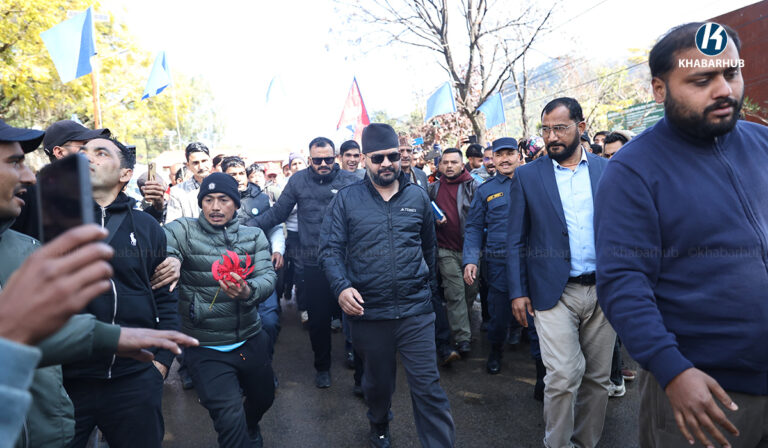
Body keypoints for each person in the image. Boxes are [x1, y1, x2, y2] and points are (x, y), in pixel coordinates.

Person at [595, 22, 767, 448]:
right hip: (704, 393)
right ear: (660, 89)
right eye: (701, 80)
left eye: (731, 73)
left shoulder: (763, 143)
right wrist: (672, 370)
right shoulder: (632, 171)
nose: (724, 90)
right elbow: (623, 282)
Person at [320, 123, 455, 448]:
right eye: (378, 157)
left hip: (415, 312)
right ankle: (379, 422)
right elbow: (330, 250)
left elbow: (428, 248)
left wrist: (427, 292)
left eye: (392, 156)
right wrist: (341, 287)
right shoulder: (346, 200)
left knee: (428, 388)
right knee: (378, 386)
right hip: (369, 313)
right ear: (365, 158)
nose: (386, 163)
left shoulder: (418, 197)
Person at [507, 97, 614, 448]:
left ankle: (585, 443)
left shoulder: (607, 170)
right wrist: (518, 291)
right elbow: (515, 238)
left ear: (581, 128)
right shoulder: (527, 176)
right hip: (553, 292)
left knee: (598, 379)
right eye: (545, 129)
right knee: (563, 376)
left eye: (560, 128)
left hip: (604, 292)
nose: (551, 136)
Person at [62, 137, 180, 448]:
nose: (87, 158)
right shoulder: (52, 220)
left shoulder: (147, 227)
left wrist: (161, 363)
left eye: (100, 153)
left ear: (125, 174)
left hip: (135, 379)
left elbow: (165, 297)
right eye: (83, 153)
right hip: (69, 381)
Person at [165, 172, 277, 447]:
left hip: (250, 338)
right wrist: (172, 260)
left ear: (236, 204)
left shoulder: (253, 235)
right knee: (228, 417)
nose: (215, 207)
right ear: (201, 203)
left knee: (264, 398)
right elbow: (166, 242)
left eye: (224, 199)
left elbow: (267, 276)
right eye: (209, 200)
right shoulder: (185, 230)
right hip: (206, 347)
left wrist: (249, 291)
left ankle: (250, 425)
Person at [252, 137, 358, 388]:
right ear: (309, 159)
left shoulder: (351, 181)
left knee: (355, 316)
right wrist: (245, 227)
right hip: (314, 261)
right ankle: (322, 368)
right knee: (318, 320)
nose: (323, 164)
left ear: (336, 158)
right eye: (317, 160)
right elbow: (277, 213)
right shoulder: (298, 181)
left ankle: (361, 375)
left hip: (348, 261)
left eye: (328, 159)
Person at [463, 138, 540, 379]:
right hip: (499, 263)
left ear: (519, 156)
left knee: (537, 318)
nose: (505, 159)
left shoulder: (535, 183)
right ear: (493, 159)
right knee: (498, 318)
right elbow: (474, 226)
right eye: (499, 155)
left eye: (509, 153)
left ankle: (541, 371)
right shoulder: (485, 190)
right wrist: (470, 259)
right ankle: (495, 351)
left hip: (533, 261)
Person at [220, 156, 284, 349]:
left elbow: (274, 227)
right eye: (232, 174)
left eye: (241, 173)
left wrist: (278, 249)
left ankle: (265, 359)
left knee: (269, 321)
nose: (238, 178)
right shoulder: (214, 201)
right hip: (228, 272)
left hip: (260, 267)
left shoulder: (262, 199)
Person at [11, 120, 110, 239]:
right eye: (84, 145)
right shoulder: (28, 193)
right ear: (59, 152)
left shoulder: (90, 193)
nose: (91, 154)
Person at [428, 148, 480, 356]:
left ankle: (461, 325)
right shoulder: (433, 188)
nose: (449, 166)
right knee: (455, 292)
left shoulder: (474, 186)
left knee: (470, 292)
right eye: (445, 162)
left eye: (454, 162)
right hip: (445, 250)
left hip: (471, 251)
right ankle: (462, 338)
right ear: (440, 165)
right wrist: (435, 219)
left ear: (462, 164)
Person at [165, 142, 213, 223]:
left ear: (211, 161)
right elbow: (172, 225)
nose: (201, 167)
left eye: (204, 161)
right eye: (195, 163)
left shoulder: (224, 185)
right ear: (188, 165)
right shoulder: (177, 192)